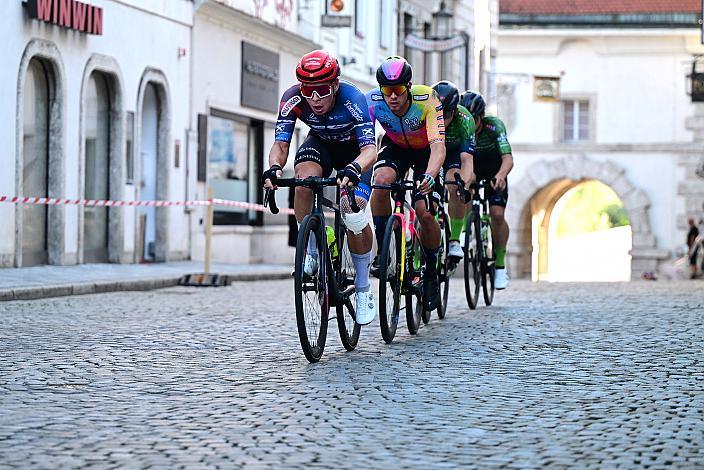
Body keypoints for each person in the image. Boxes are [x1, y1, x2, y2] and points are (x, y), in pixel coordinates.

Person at [262, 50, 378, 325]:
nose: (314, 98)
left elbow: (370, 150)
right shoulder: (292, 98)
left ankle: (362, 287)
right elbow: (280, 145)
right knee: (303, 181)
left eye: (322, 91)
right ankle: (313, 245)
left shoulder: (353, 99)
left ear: (335, 85)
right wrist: (274, 168)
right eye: (308, 91)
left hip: (355, 152)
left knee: (353, 213)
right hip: (321, 144)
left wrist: (355, 168)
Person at [366, 56, 446, 310]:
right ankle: (384, 249)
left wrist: (430, 176)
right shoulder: (372, 101)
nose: (392, 97)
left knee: (423, 211)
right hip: (395, 148)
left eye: (398, 90)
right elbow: (365, 144)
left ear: (408, 87)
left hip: (426, 152)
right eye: (387, 91)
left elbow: (438, 147)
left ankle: (431, 270)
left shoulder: (427, 99)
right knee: (381, 182)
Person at [460, 90, 513, 290]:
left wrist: (500, 175)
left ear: (481, 117)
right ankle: (465, 230)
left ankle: (500, 266)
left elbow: (508, 158)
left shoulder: (494, 126)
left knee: (497, 215)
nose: (469, 124)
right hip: (472, 167)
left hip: (494, 169)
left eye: (473, 119)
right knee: (464, 189)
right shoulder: (461, 127)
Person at [431, 81, 476, 260]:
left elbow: (467, 160)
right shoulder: (423, 112)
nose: (442, 120)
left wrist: (463, 186)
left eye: (447, 114)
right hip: (431, 150)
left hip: (453, 154)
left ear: (455, 111)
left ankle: (455, 240)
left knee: (455, 185)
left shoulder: (465, 120)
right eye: (438, 114)